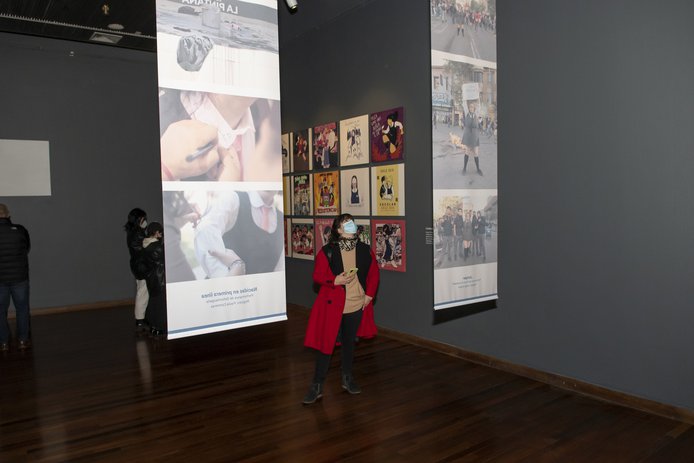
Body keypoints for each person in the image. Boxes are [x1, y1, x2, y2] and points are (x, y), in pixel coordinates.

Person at [303, 214, 380, 404]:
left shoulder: (364, 250)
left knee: (349, 344)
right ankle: (317, 385)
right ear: (338, 229)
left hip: (356, 305)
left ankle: (347, 378)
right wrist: (334, 280)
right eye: (346, 223)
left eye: (352, 222)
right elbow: (317, 275)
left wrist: (369, 295)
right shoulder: (328, 251)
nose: (351, 225)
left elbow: (374, 274)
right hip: (333, 307)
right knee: (326, 345)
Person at [194, 190, 284, 278]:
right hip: (226, 285)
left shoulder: (283, 220)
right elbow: (206, 230)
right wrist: (225, 277)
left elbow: (279, 270)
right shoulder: (233, 198)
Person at [0, 204, 31, 352]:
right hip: (20, 278)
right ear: (8, 214)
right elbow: (27, 248)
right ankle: (23, 340)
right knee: (22, 309)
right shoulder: (20, 230)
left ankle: (3, 343)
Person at [124, 208, 149, 329]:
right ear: (140, 219)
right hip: (142, 265)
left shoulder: (131, 232)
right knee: (142, 293)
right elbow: (144, 248)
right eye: (144, 218)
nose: (145, 221)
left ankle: (141, 317)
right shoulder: (138, 233)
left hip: (136, 265)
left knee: (141, 290)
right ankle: (140, 319)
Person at [142, 222, 166, 337]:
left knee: (153, 301)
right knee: (160, 304)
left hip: (151, 278)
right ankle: (160, 327)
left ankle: (152, 326)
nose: (162, 234)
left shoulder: (145, 244)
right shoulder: (157, 247)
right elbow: (164, 260)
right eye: (160, 232)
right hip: (159, 278)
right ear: (156, 232)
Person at [462, 102, 482, 176]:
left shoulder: (476, 115)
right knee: (467, 152)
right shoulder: (467, 114)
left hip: (475, 136)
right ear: (468, 108)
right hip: (468, 136)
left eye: (472, 107)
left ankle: (478, 169)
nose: (471, 108)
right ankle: (464, 168)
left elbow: (479, 106)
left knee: (476, 153)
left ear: (474, 108)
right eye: (470, 107)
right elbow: (464, 104)